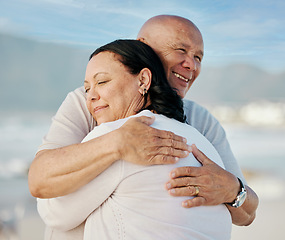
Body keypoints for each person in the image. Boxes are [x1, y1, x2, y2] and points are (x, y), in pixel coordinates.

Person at [28, 14, 258, 238]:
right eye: (181, 50)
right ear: (143, 48)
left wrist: (232, 189)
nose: (191, 65)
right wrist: (117, 143)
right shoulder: (91, 102)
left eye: (198, 57)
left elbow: (247, 214)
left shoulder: (201, 121)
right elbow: (40, 179)